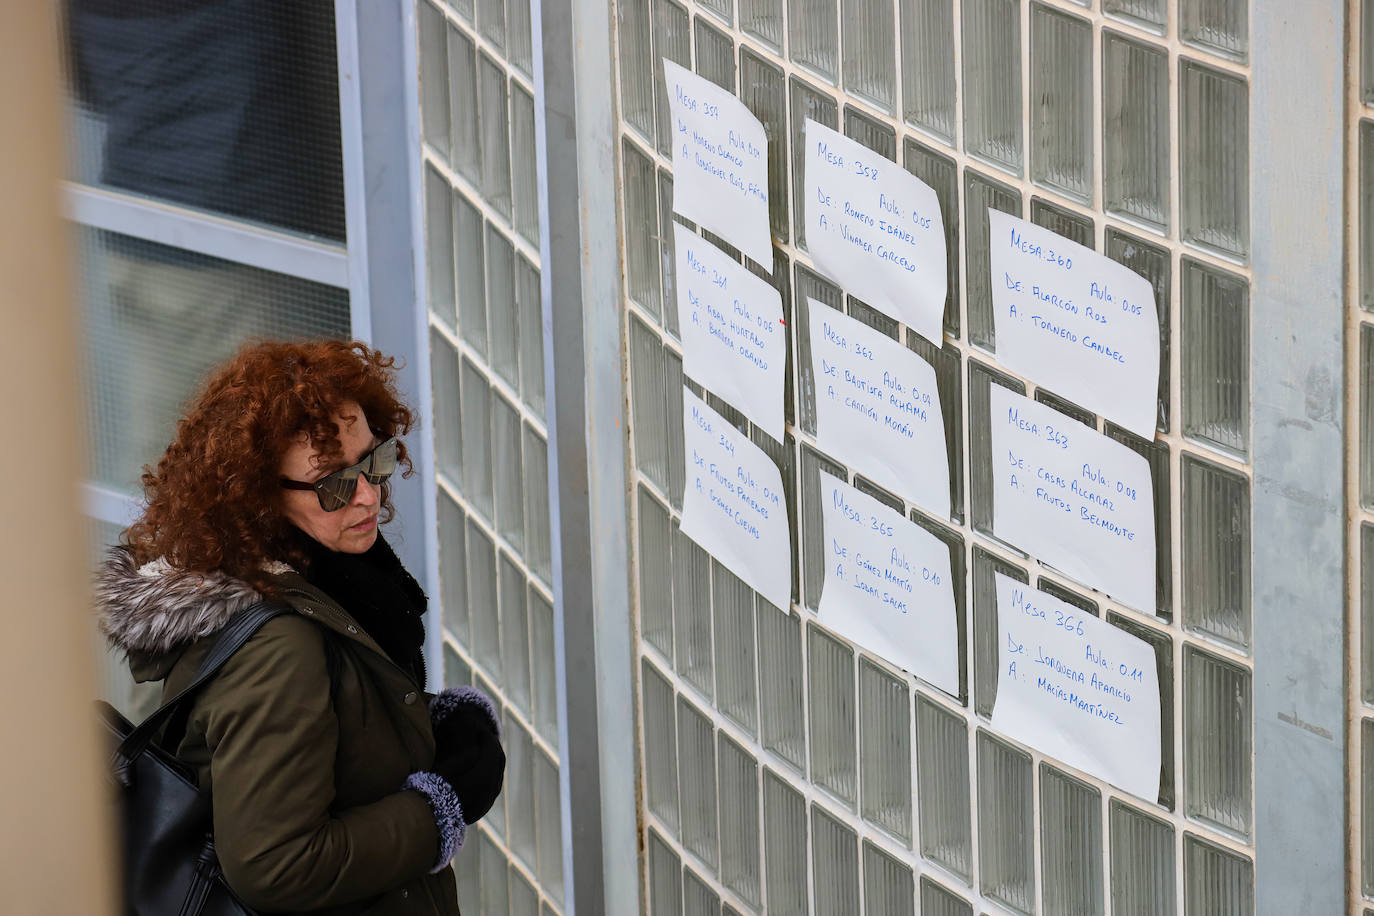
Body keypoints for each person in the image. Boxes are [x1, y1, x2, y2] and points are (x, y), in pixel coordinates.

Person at [95, 340, 503, 915]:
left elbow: (324, 733)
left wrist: (422, 725)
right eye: (334, 484)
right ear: (260, 496)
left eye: (374, 461)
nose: (368, 496)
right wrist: (440, 808)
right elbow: (275, 866)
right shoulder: (280, 649)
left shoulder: (328, 577)